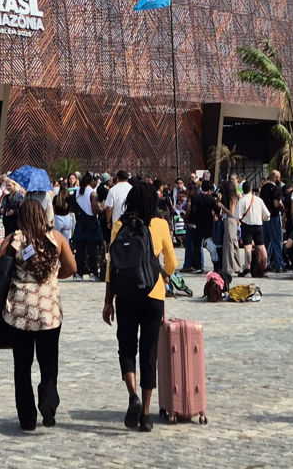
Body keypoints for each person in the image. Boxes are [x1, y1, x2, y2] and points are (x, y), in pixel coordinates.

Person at [104, 182, 178, 431]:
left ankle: (132, 395)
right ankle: (146, 414)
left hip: (125, 294)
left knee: (126, 348)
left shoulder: (119, 225)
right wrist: (164, 276)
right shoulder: (160, 225)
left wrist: (107, 301)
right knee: (149, 352)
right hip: (153, 294)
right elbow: (173, 261)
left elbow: (111, 266)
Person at [1, 198, 77, 430]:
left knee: (22, 366)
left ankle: (27, 418)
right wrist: (53, 277)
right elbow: (72, 267)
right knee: (49, 362)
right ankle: (48, 401)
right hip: (49, 312)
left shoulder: (15, 239)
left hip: (20, 313)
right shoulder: (57, 239)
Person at [231, 178, 270, 276]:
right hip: (258, 225)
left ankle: (247, 267)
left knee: (248, 248)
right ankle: (264, 266)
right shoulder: (258, 200)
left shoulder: (242, 200)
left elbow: (237, 216)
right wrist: (263, 219)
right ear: (251, 189)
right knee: (261, 247)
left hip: (246, 225)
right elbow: (267, 214)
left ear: (242, 189)